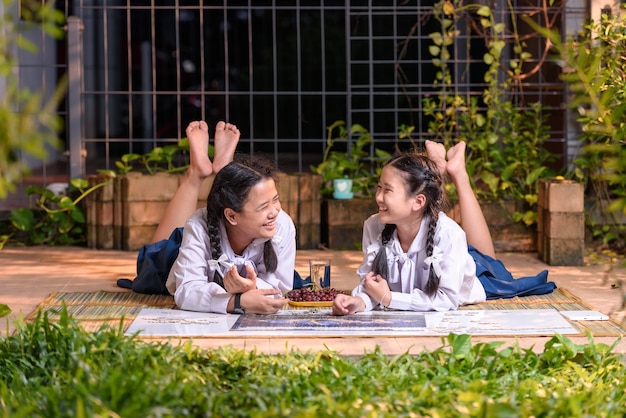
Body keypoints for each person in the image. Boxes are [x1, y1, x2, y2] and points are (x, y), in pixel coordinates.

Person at [332, 140, 556, 315]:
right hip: (435, 236)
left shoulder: (449, 234)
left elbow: (446, 299)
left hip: (472, 273)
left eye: (387, 190)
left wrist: (390, 300)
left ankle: (457, 172)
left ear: (417, 201)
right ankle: (438, 167)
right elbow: (372, 287)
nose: (378, 197)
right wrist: (358, 301)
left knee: (487, 259)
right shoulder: (374, 225)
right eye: (378, 187)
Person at [118, 120, 294, 314]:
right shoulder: (198, 226)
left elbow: (280, 287)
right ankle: (195, 173)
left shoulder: (282, 225)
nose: (274, 212)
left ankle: (225, 172)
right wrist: (236, 301)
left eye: (275, 200)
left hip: (223, 258)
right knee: (153, 257)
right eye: (263, 206)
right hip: (179, 255)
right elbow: (186, 290)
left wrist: (250, 289)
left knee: (298, 280)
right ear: (232, 216)